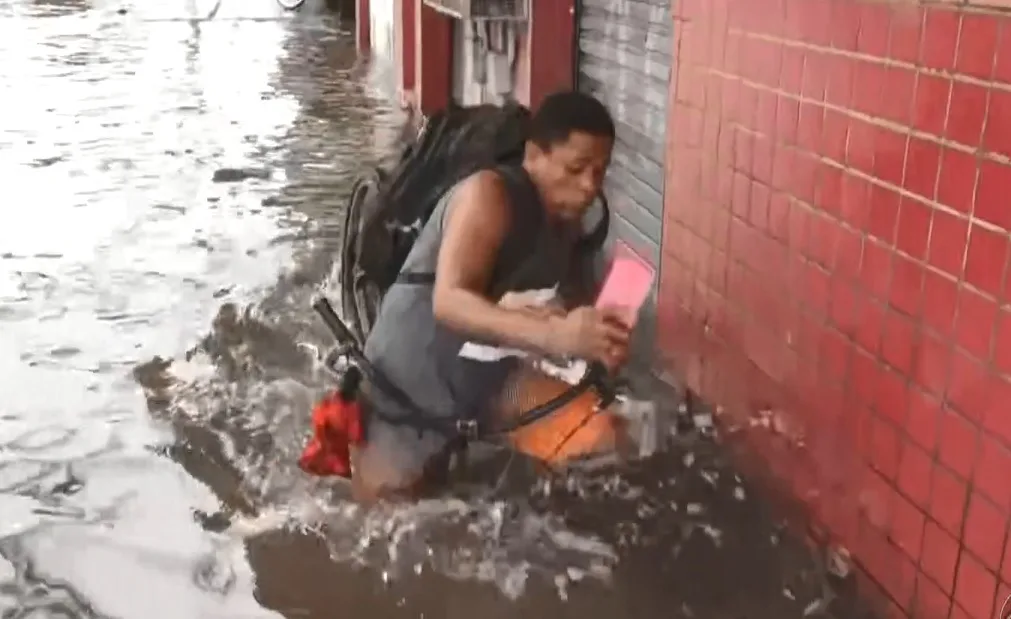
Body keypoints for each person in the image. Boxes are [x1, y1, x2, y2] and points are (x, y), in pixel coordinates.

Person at [352, 91, 631, 503]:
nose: (589, 186)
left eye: (599, 171)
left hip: (488, 376)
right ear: (534, 156)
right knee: (393, 513)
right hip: (411, 375)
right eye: (575, 168)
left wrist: (598, 336)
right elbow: (449, 301)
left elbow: (560, 308)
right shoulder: (489, 195)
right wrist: (558, 338)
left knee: (601, 437)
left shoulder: (570, 223)